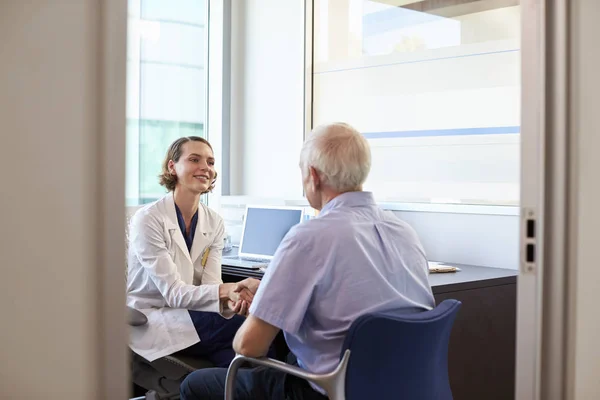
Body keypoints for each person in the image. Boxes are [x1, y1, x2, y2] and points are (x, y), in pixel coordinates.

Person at [180, 123, 436, 400]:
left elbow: (248, 346)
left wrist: (266, 306)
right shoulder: (404, 231)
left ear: (313, 176)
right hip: (402, 386)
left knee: (196, 385)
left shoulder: (309, 237)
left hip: (329, 390)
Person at [127, 136, 253, 366]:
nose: (205, 167)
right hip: (153, 317)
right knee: (250, 330)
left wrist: (233, 301)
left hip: (195, 314)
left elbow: (212, 286)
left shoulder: (214, 221)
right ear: (172, 167)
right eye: (194, 159)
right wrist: (230, 290)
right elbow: (174, 294)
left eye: (211, 162)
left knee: (244, 359)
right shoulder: (149, 219)